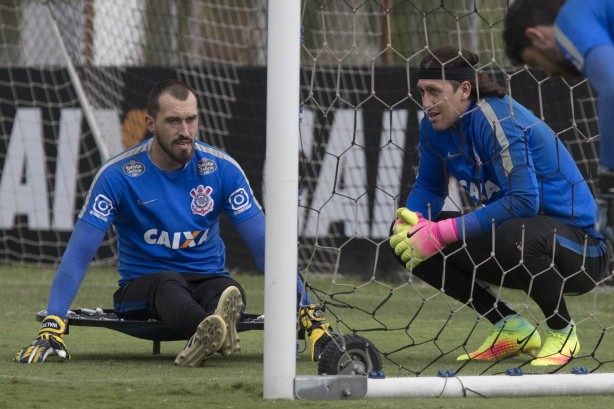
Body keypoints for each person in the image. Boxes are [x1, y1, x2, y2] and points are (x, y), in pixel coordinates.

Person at [14, 79, 330, 366]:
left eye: (191, 119)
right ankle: (210, 328)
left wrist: (307, 312)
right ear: (151, 123)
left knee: (230, 289)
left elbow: (265, 248)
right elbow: (79, 252)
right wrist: (53, 322)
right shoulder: (117, 176)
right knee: (168, 283)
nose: (185, 131)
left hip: (206, 281)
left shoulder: (222, 170)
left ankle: (210, 330)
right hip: (142, 291)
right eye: (174, 121)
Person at [390, 46, 612, 366]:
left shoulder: (498, 117)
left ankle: (562, 332)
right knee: (403, 242)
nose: (426, 103)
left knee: (517, 233)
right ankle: (509, 327)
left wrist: (441, 232)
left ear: (464, 89)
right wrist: (412, 222)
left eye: (434, 92)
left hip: (585, 251)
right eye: (422, 92)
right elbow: (428, 187)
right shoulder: (432, 128)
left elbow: (523, 201)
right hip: (519, 243)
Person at [503, 0, 614, 242]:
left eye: (536, 62)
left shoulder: (570, 22)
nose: (550, 74)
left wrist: (609, 183)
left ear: (538, 36)